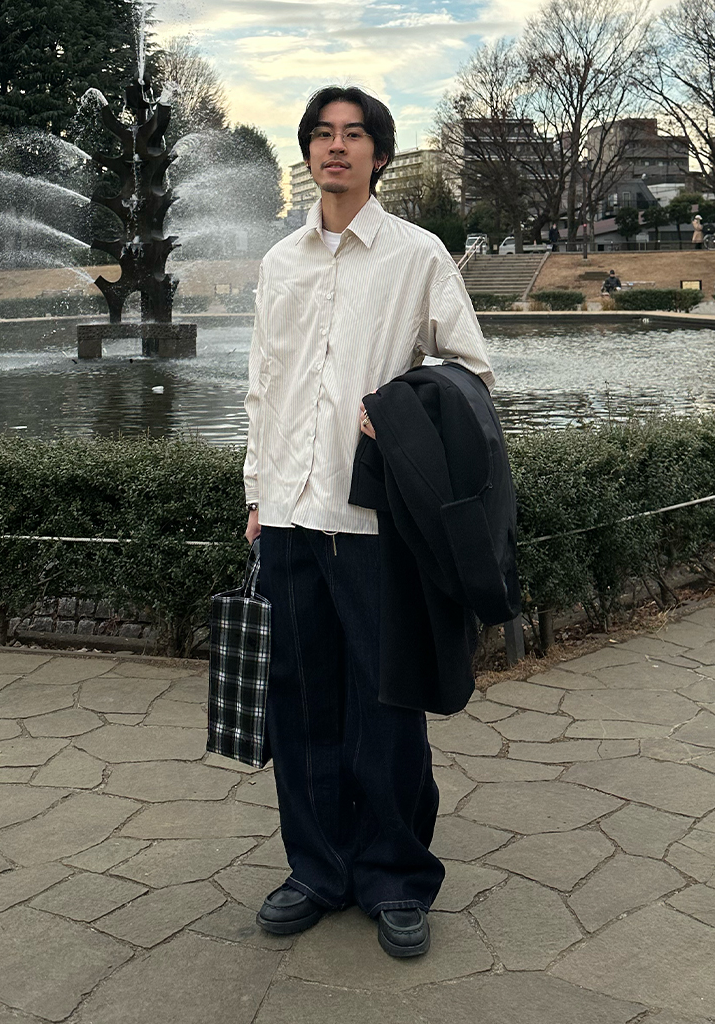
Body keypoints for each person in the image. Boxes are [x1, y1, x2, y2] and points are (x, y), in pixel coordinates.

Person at [243, 85, 493, 958]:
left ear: (379, 155)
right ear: (308, 151)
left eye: (353, 134)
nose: (336, 147)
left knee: (387, 704)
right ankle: (316, 869)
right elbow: (262, 385)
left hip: (375, 519)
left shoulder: (418, 255)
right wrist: (255, 494)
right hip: (287, 514)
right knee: (300, 700)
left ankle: (395, 875)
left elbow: (471, 370)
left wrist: (401, 409)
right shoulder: (281, 262)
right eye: (322, 134)